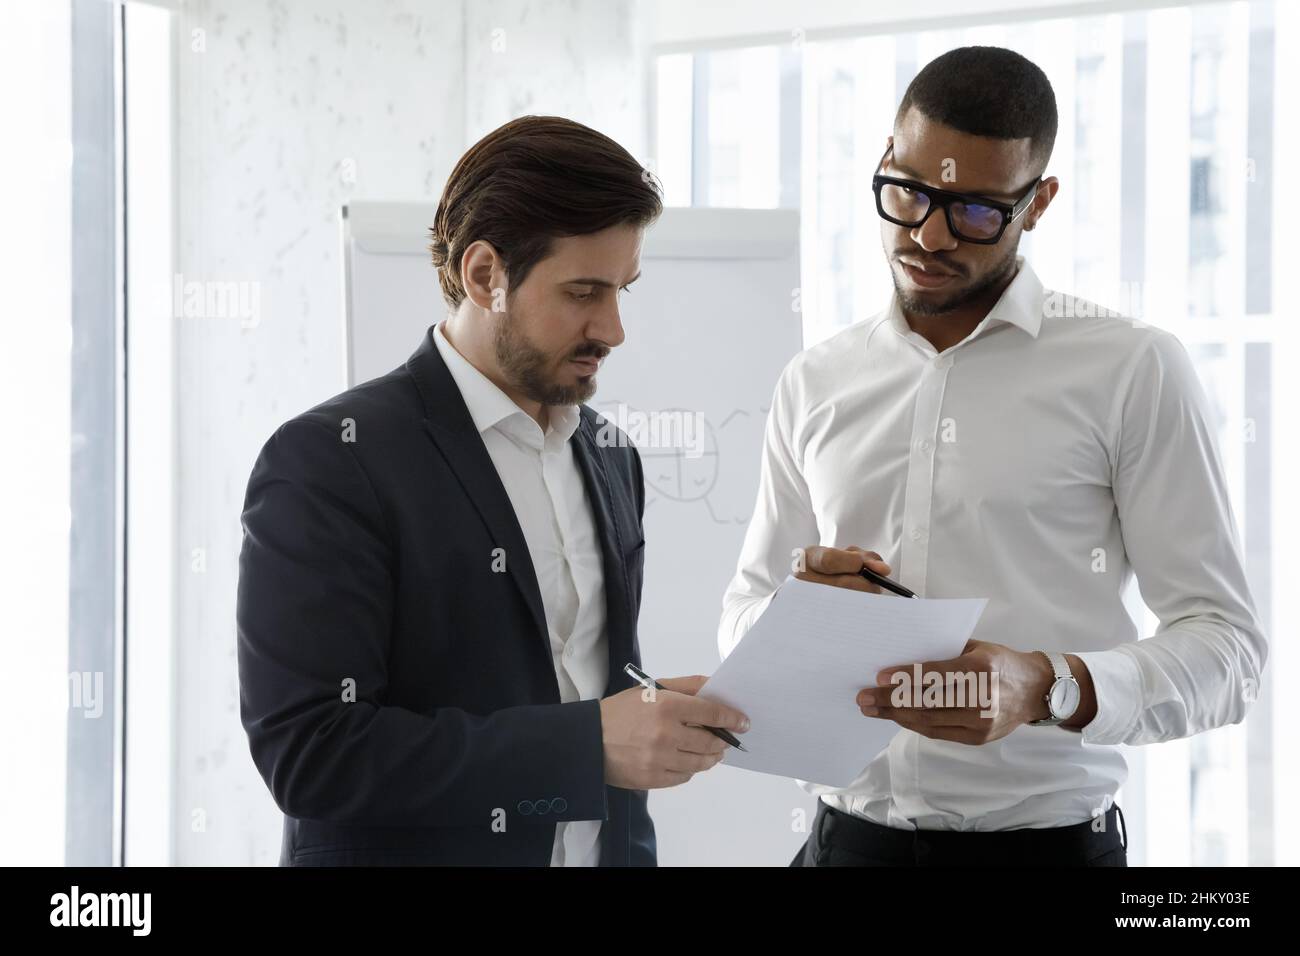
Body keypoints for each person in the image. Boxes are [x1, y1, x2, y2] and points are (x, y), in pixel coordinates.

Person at [719, 46, 1267, 867]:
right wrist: (795, 618)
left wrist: (1049, 688)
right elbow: (742, 618)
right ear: (881, 163)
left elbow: (1227, 650)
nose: (928, 236)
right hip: (840, 849)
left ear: (1037, 202)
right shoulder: (816, 380)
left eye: (974, 212)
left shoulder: (1132, 369)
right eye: (906, 193)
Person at [238, 115, 749, 867]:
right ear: (485, 277)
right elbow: (312, 755)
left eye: (622, 291)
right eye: (584, 291)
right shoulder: (330, 461)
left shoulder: (611, 456)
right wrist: (588, 743)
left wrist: (641, 726)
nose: (613, 328)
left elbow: (590, 690)